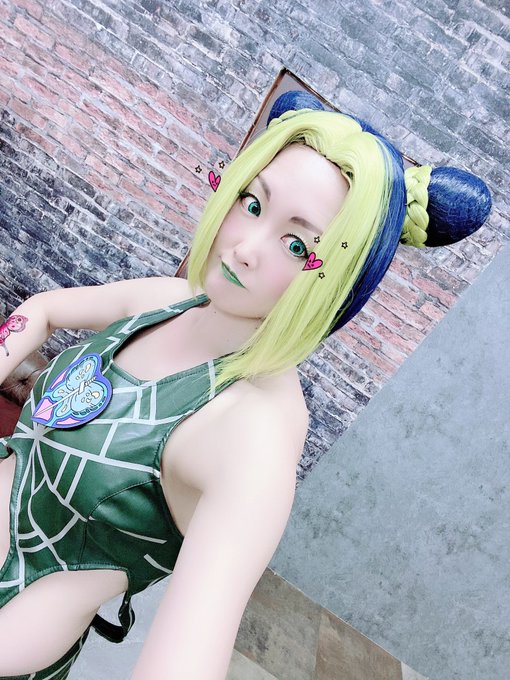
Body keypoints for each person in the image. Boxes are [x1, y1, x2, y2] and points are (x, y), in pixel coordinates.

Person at [0, 91, 492, 679]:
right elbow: (44, 308)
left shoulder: (251, 433)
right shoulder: (171, 301)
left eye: (298, 245)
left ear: (338, 279)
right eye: (252, 202)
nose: (245, 249)